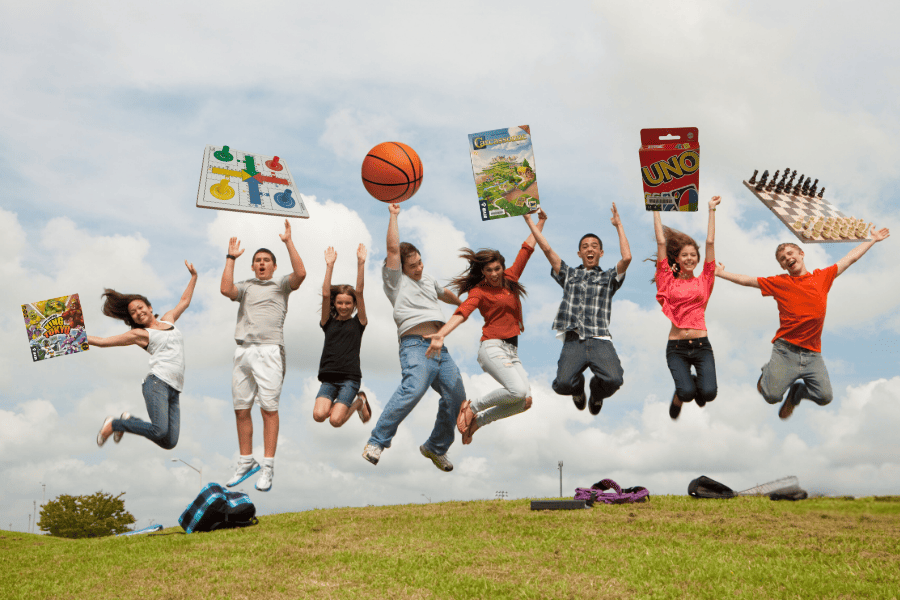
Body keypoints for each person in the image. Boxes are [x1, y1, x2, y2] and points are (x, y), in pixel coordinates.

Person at [715, 225, 890, 419]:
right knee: (772, 396)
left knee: (825, 397)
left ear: (801, 254)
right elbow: (748, 281)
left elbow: (850, 258)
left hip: (812, 354)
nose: (788, 258)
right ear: (782, 266)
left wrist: (872, 240)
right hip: (785, 350)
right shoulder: (779, 282)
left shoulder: (822, 277)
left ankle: (797, 393)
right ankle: (768, 372)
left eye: (790, 253)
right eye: (783, 258)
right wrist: (722, 273)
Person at [424, 209, 547, 444]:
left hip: (512, 351)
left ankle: (477, 423)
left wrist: (539, 221)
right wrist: (441, 334)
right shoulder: (479, 291)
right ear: (482, 271)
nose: (493, 274)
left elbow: (527, 248)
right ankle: (472, 408)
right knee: (517, 391)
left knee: (524, 401)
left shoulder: (511, 279)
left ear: (503, 267)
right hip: (492, 347)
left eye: (497, 269)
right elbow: (463, 312)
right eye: (488, 270)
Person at [362, 202, 466, 471]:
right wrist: (394, 215)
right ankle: (377, 440)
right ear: (401, 268)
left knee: (457, 399)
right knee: (413, 389)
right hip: (415, 346)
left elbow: (445, 294)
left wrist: (465, 303)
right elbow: (393, 249)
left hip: (440, 347)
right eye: (413, 266)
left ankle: (435, 447)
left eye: (420, 262)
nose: (418, 268)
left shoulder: (427, 278)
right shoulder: (395, 281)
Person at [220, 219, 306, 492]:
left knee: (268, 409)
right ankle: (246, 462)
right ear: (252, 265)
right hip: (243, 349)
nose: (261, 263)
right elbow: (225, 289)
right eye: (257, 260)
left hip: (270, 350)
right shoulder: (245, 286)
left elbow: (301, 274)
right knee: (241, 409)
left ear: (274, 266)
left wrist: (288, 241)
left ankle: (267, 467)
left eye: (266, 260)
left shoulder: (281, 284)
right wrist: (231, 258)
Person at [524, 203, 632, 414]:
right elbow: (546, 249)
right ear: (579, 253)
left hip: (600, 338)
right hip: (574, 339)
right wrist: (530, 220)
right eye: (585, 246)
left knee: (614, 378)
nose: (589, 249)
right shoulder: (569, 274)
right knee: (562, 384)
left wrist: (618, 225)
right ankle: (578, 389)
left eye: (594, 246)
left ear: (600, 252)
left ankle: (596, 392)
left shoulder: (608, 277)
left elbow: (627, 258)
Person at [91, 260, 198, 450]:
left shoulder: (168, 320)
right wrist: (72, 336)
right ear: (132, 318)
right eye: (133, 312)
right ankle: (114, 424)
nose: (138, 312)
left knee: (169, 442)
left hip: (175, 388)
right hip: (158, 384)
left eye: (140, 307)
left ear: (149, 307)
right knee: (159, 431)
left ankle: (129, 420)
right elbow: (102, 342)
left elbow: (184, 302)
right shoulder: (141, 335)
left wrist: (194, 277)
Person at [650, 196, 721, 419]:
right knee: (687, 393)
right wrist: (655, 208)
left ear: (698, 259)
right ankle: (685, 388)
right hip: (677, 348)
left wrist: (711, 210)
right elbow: (661, 243)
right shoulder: (667, 280)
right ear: (678, 259)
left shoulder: (705, 279)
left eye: (693, 255)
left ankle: (697, 385)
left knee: (709, 394)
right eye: (684, 255)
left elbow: (710, 243)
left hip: (701, 346)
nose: (689, 258)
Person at [313, 244, 371, 427]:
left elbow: (360, 292)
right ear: (335, 303)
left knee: (336, 421)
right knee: (318, 415)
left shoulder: (358, 323)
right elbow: (325, 294)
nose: (343, 306)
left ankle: (359, 402)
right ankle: (353, 402)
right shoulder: (327, 322)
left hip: (349, 379)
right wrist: (329, 266)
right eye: (340, 303)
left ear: (353, 305)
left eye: (348, 303)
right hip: (329, 378)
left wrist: (361, 263)